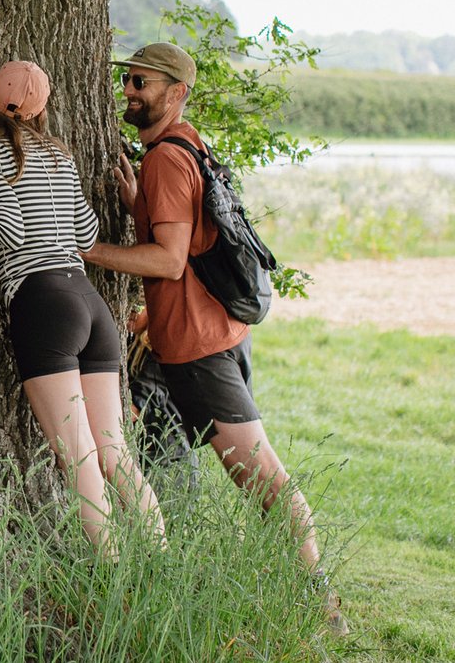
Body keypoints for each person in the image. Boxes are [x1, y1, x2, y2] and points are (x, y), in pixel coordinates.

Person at [81, 41, 348, 635]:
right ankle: (165, 584)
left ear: (176, 93)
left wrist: (87, 249)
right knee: (147, 459)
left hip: (199, 351)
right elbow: (190, 235)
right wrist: (137, 204)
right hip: (203, 340)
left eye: (142, 83)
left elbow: (171, 262)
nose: (129, 90)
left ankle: (319, 602)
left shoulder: (165, 160)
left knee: (264, 479)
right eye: (127, 80)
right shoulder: (187, 145)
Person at [0, 61, 165, 552]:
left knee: (77, 458)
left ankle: (113, 576)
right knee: (114, 453)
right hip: (89, 302)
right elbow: (85, 235)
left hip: (42, 301)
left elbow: (10, 230)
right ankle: (161, 567)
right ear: (42, 108)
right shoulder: (61, 157)